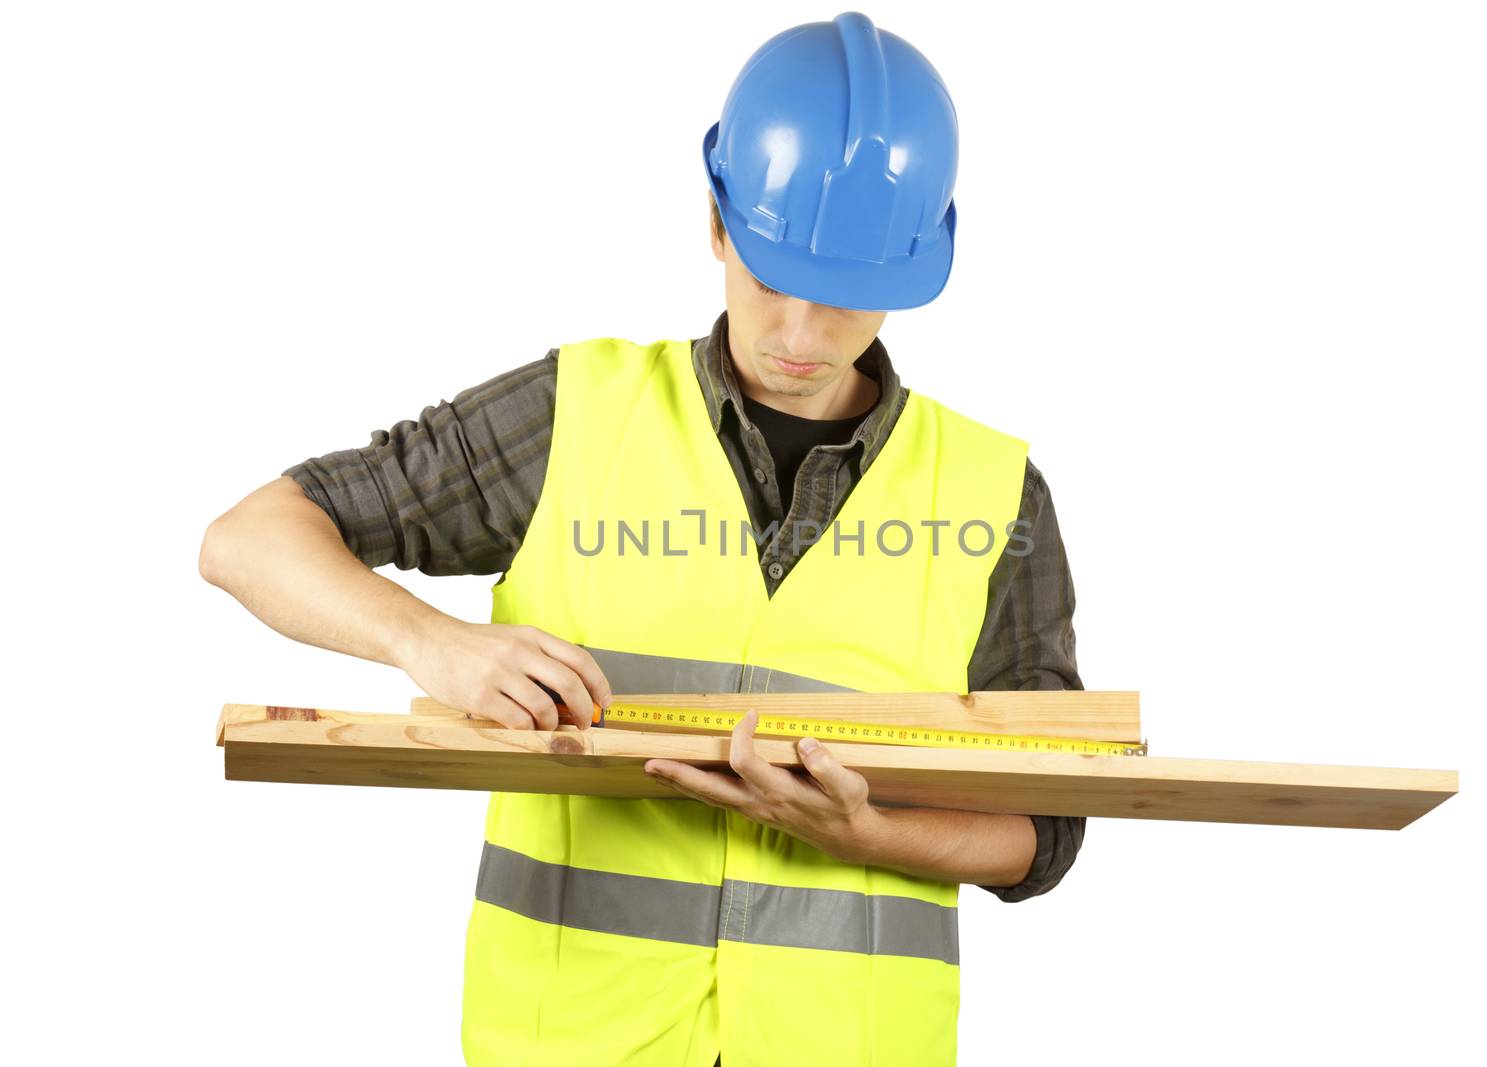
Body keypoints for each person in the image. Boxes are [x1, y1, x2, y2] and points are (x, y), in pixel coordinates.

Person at [199, 12, 1087, 1066]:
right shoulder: (577, 413)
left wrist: (869, 835)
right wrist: (430, 641)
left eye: (846, 298)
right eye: (770, 279)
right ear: (717, 223)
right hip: (575, 1043)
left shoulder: (994, 490)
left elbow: (1047, 823)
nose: (801, 337)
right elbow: (249, 536)